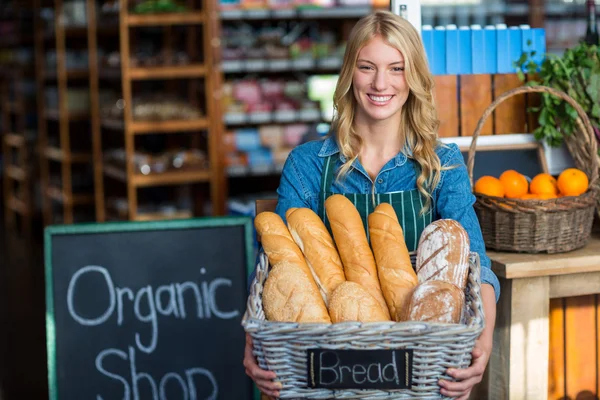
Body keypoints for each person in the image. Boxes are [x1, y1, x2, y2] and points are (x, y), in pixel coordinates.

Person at [244, 9, 499, 400]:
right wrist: (255, 339)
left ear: (413, 78)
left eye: (396, 68)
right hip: (326, 370)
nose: (381, 83)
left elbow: (475, 266)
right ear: (349, 74)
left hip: (418, 371)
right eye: (367, 67)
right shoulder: (309, 164)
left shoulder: (442, 164)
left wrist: (483, 337)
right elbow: (276, 273)